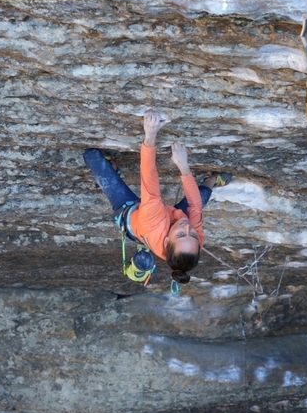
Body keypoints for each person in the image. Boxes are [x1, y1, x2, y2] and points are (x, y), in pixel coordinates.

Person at [83, 109, 231, 285]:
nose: (188, 227)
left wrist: (150, 136)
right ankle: (212, 180)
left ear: (168, 240)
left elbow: (150, 181)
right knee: (201, 196)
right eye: (193, 234)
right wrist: (184, 167)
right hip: (163, 219)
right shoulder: (194, 240)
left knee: (92, 155)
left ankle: (112, 168)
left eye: (182, 234)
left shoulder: (153, 224)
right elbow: (195, 205)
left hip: (130, 212)